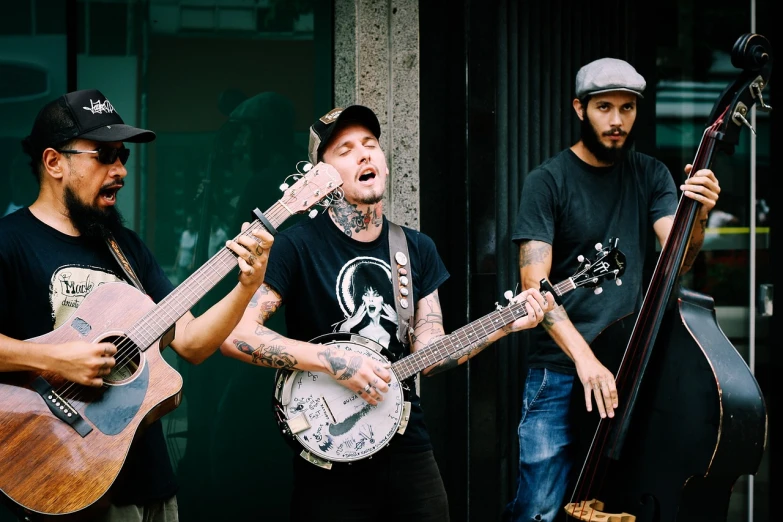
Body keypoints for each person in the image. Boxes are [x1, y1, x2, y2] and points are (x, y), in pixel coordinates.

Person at [219, 105, 556, 521]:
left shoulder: (415, 248)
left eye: (370, 145)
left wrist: (504, 326)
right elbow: (235, 334)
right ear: (317, 176)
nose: (364, 155)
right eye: (345, 150)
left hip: (406, 444)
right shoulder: (295, 246)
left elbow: (431, 353)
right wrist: (333, 361)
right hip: (329, 450)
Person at [0, 88, 274, 522]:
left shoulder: (125, 247)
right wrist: (57, 359)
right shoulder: (8, 243)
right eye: (104, 156)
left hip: (148, 482)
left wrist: (246, 285)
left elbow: (192, 343)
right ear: (54, 162)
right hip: (62, 473)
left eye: (123, 156)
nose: (120, 170)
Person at [504, 58, 721, 522]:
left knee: (618, 505)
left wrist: (698, 214)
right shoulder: (547, 181)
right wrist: (586, 361)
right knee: (540, 508)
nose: (618, 121)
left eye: (627, 108)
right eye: (605, 107)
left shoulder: (651, 174)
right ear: (580, 109)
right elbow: (533, 286)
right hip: (561, 372)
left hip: (629, 370)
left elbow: (677, 259)